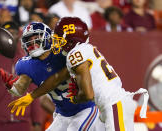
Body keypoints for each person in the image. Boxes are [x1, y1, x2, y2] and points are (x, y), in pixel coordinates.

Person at [8, 17, 149, 131]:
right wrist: (31, 96)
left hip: (113, 104)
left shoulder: (75, 55)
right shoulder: (82, 50)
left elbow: (88, 95)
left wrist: (75, 98)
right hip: (107, 106)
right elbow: (57, 78)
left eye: (60, 39)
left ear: (71, 40)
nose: (56, 42)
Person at [0, 22, 105, 130]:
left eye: (36, 37)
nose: (32, 42)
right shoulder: (27, 64)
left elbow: (57, 79)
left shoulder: (64, 54)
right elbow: (20, 88)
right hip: (63, 114)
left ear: (47, 37)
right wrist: (11, 87)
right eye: (28, 39)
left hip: (85, 109)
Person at [0, 21, 42, 131]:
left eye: (14, 33)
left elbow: (33, 92)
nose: (11, 35)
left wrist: (36, 121)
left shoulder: (27, 61)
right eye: (7, 32)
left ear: (19, 36)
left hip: (22, 123)